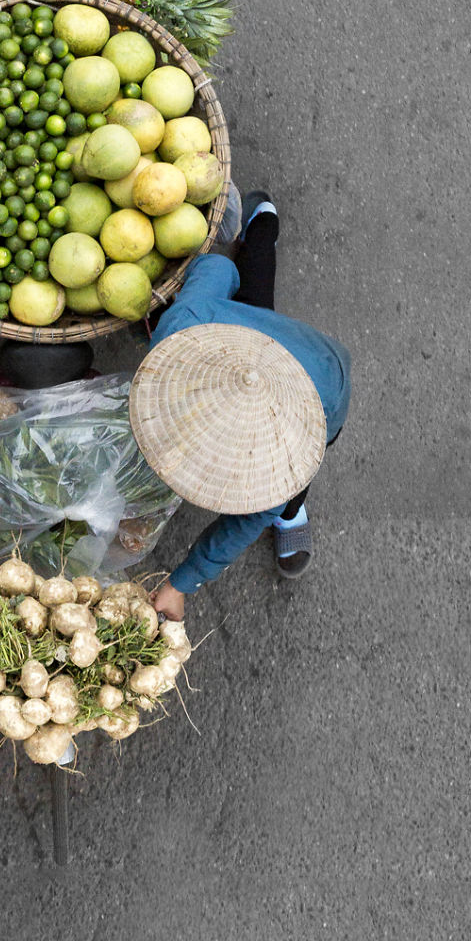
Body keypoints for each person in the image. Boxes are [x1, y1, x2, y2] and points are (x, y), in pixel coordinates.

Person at [128, 192, 351, 620]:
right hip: (244, 336)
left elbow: (216, 269)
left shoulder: (285, 457)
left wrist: (182, 582)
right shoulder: (181, 332)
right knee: (257, 303)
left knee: (298, 479)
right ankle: (263, 220)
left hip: (318, 369)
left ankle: (290, 513)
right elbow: (218, 270)